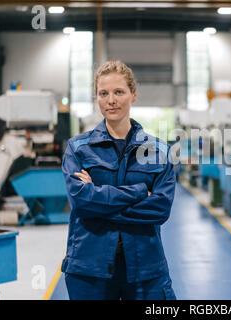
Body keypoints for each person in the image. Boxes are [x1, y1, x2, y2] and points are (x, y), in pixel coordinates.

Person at [61, 60, 177, 300]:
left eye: (119, 92)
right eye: (103, 93)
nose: (111, 100)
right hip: (90, 269)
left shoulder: (158, 150)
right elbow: (82, 204)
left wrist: (99, 201)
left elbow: (160, 209)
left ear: (133, 95)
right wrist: (137, 193)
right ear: (97, 98)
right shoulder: (78, 148)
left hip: (146, 270)